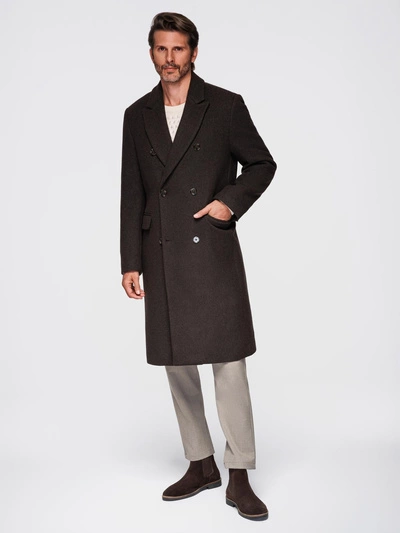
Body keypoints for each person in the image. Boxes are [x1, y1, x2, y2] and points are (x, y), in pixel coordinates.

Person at [120, 12, 277, 522]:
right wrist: (130, 260)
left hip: (209, 247)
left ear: (193, 52)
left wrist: (228, 203)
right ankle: (201, 462)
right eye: (161, 49)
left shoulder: (225, 106)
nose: (170, 58)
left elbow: (262, 163)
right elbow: (132, 192)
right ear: (151, 52)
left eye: (179, 49)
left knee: (228, 364)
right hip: (161, 251)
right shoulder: (137, 114)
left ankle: (240, 472)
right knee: (177, 364)